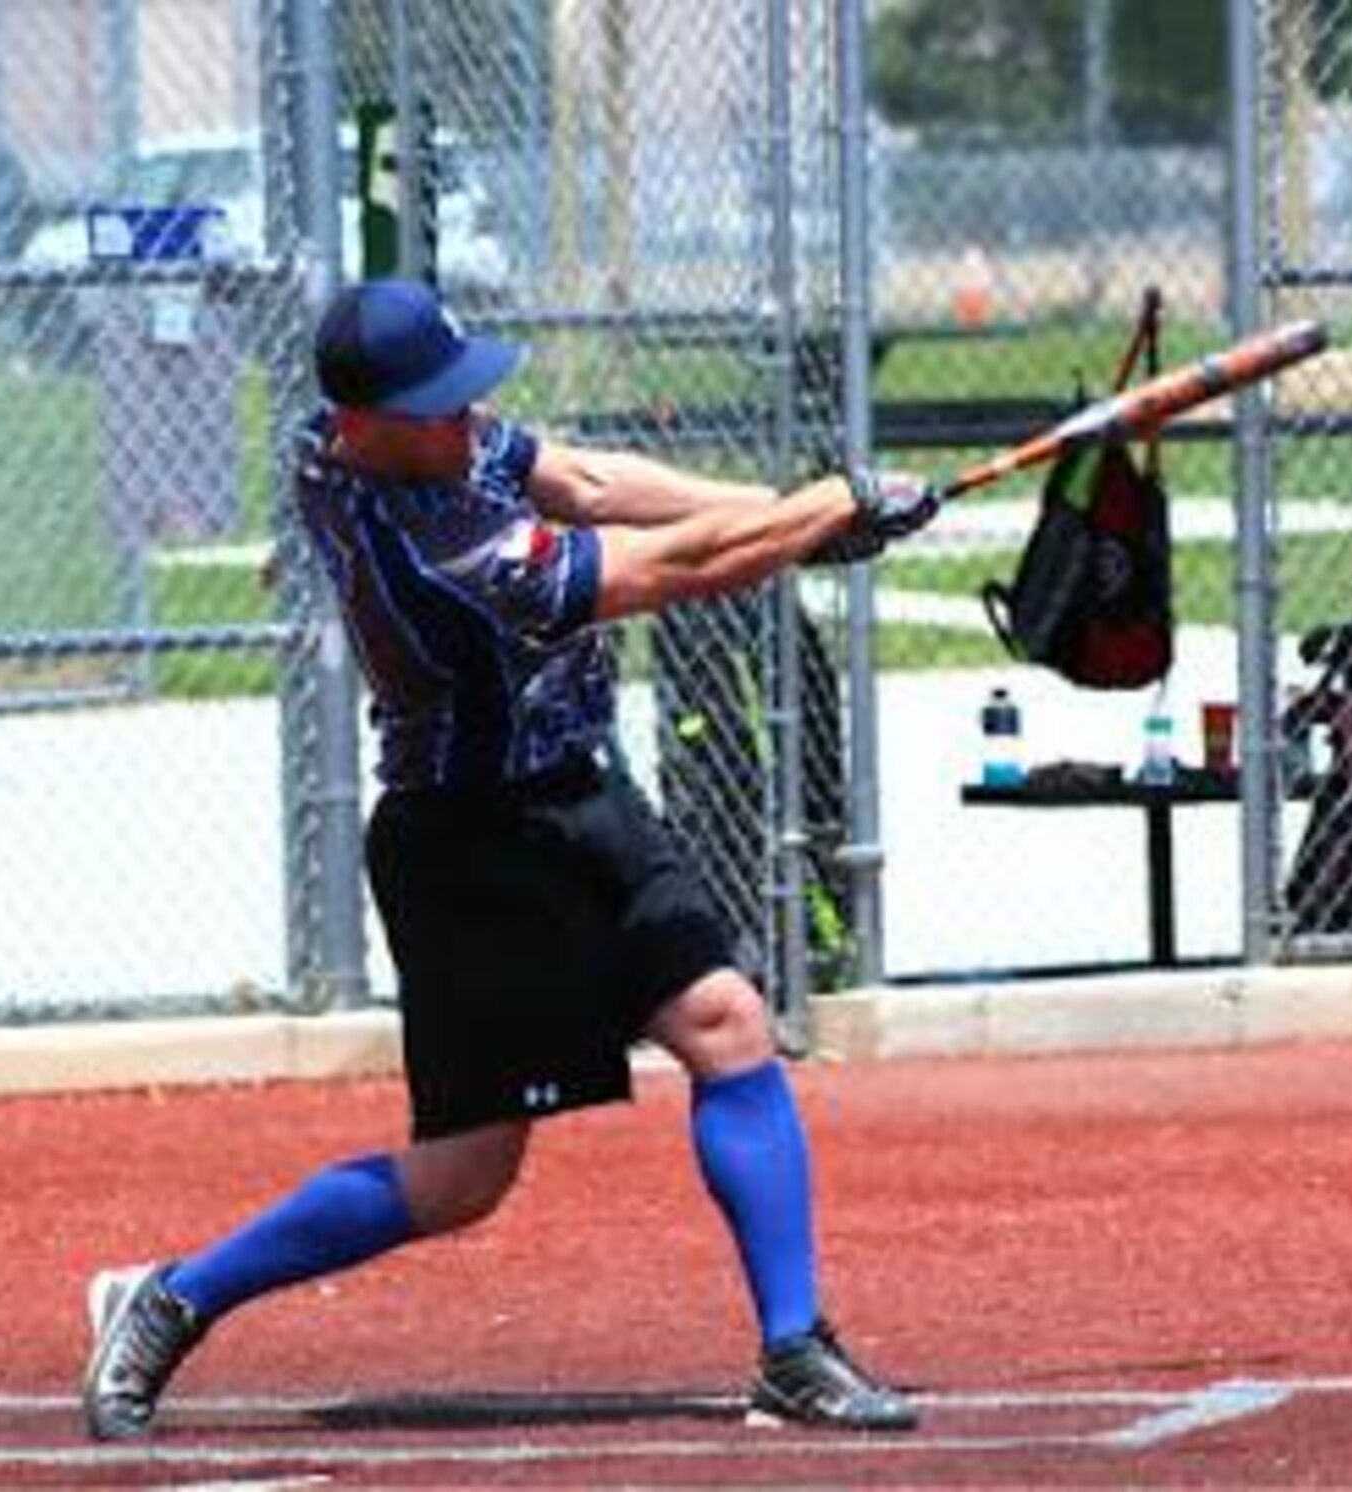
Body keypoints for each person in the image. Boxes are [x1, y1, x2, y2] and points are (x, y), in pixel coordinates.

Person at [81, 277, 940, 1442]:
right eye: (432, 411)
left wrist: (795, 509)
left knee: (724, 1021)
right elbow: (655, 570)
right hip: (465, 840)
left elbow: (585, 477)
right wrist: (806, 521)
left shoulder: (407, 441)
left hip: (575, 792)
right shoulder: (428, 535)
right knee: (460, 1181)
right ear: (361, 422)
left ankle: (791, 1346)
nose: (461, 425)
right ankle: (173, 1295)